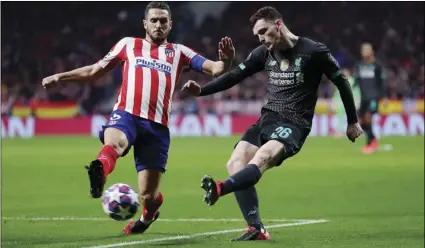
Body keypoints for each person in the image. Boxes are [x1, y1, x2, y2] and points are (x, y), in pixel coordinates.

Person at [41, 1, 235, 235]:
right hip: (126, 114)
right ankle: (99, 172)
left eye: (163, 20)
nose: (158, 24)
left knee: (148, 196)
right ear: (145, 23)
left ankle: (148, 215)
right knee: (114, 143)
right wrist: (60, 77)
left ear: (171, 24)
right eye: (153, 20)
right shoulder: (128, 45)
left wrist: (227, 60)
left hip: (156, 128)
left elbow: (215, 69)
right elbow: (95, 70)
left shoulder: (180, 52)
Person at [182, 6, 363, 241]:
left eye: (264, 31)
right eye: (257, 35)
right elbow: (236, 75)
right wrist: (201, 91)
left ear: (278, 25)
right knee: (235, 162)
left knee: (263, 157)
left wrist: (352, 121)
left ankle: (221, 188)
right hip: (267, 119)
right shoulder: (263, 53)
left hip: (294, 123)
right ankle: (255, 228)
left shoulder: (313, 51)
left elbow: (342, 81)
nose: (261, 39)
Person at [353, 43, 386, 154]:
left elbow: (381, 82)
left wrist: (384, 97)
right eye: (363, 50)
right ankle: (373, 139)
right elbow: (356, 81)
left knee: (368, 117)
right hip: (363, 97)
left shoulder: (377, 65)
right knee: (361, 121)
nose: (365, 52)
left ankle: (369, 144)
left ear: (372, 51)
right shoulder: (359, 65)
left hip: (373, 96)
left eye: (367, 50)